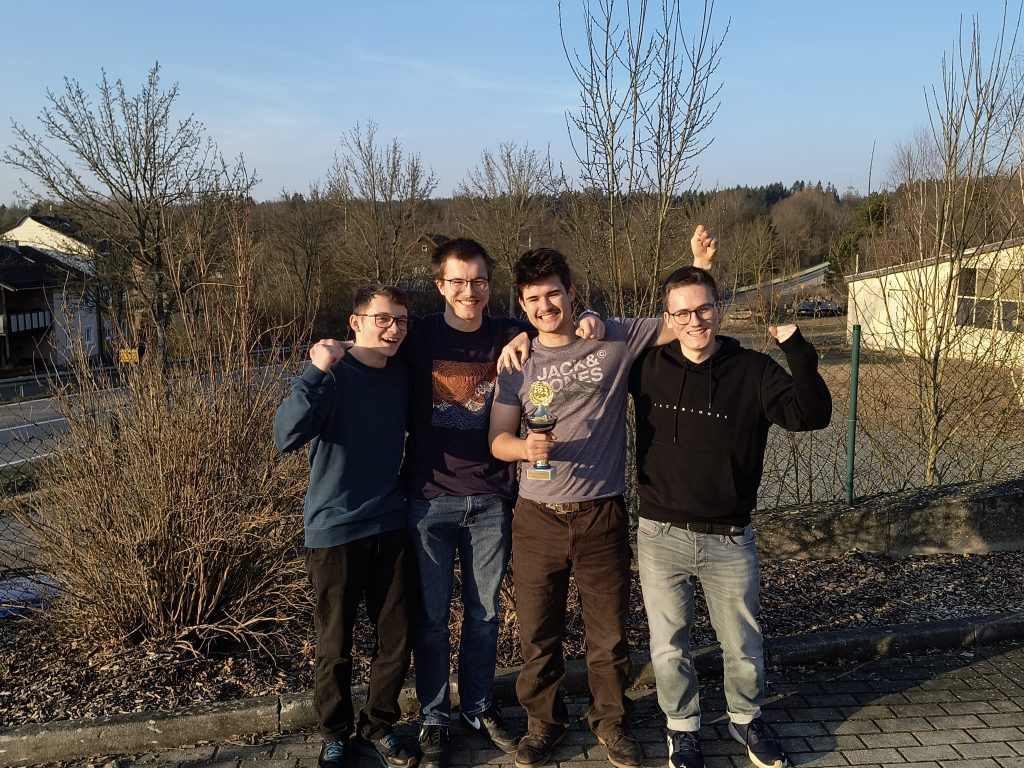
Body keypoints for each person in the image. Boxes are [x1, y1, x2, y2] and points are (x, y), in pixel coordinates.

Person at [400, 238, 604, 768]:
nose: (469, 291)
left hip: (491, 499)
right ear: (441, 285)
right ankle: (434, 716)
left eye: (479, 281)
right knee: (431, 617)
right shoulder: (419, 335)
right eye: (458, 281)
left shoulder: (510, 335)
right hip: (428, 500)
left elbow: (559, 326)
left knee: (485, 613)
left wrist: (592, 318)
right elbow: (375, 339)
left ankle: (477, 706)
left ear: (491, 287)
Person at [628, 264, 832, 768]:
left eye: (703, 309)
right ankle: (682, 729)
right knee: (668, 646)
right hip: (660, 534)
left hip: (729, 536)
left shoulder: (753, 371)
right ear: (668, 318)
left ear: (719, 311)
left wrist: (797, 349)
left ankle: (745, 718)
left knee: (741, 643)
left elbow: (812, 415)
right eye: (682, 313)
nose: (694, 321)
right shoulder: (646, 366)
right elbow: (590, 352)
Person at [488, 247, 682, 768]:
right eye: (533, 299)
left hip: (601, 513)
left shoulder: (612, 339)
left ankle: (611, 723)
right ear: (522, 305)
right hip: (536, 518)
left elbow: (678, 321)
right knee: (538, 634)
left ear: (572, 293)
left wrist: (699, 263)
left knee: (608, 634)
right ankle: (543, 725)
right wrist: (523, 448)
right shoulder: (516, 364)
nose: (545, 306)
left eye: (554, 293)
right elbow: (497, 440)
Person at [274, 285, 419, 768]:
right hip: (334, 530)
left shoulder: (402, 374)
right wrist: (314, 370)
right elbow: (285, 436)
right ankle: (334, 735)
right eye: (383, 318)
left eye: (401, 320)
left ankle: (377, 727)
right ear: (355, 322)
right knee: (334, 644)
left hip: (391, 524)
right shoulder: (332, 376)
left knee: (396, 637)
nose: (394, 328)